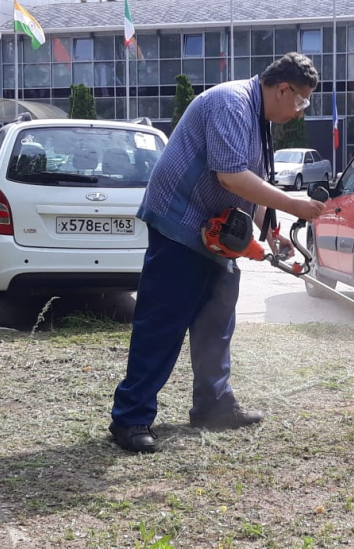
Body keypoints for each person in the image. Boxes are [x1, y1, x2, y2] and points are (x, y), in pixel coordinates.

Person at [109, 52, 327, 453]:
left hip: (216, 230)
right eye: (300, 102)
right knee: (163, 324)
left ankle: (213, 406)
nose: (299, 113)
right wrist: (298, 206)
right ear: (282, 89)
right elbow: (230, 175)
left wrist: (271, 230)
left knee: (217, 320)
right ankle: (131, 417)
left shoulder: (257, 117)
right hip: (179, 223)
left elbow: (253, 183)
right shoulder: (231, 103)